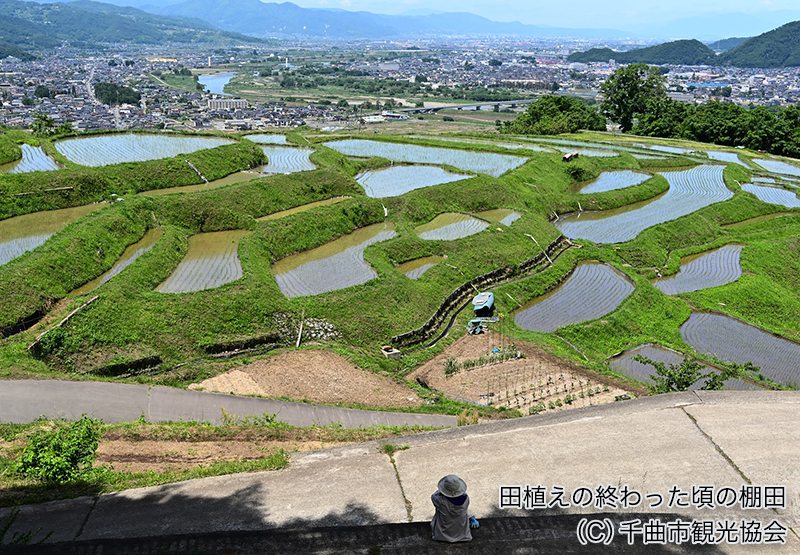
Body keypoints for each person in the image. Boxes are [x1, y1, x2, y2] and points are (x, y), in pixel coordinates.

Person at [430, 474, 480, 542]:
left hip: (442, 536)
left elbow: (433, 495)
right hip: (463, 536)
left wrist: (444, 489)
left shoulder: (440, 501)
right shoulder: (466, 499)